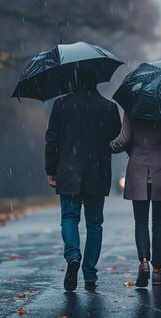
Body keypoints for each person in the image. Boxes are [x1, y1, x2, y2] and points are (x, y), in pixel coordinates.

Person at [45, 70, 121, 292]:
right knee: (94, 223)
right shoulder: (109, 107)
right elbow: (116, 141)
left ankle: (73, 257)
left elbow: (52, 139)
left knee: (69, 217)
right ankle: (89, 273)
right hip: (97, 172)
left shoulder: (61, 105)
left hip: (68, 171)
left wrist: (51, 168)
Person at [110, 116, 161, 287]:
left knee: (140, 221)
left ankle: (143, 261)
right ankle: (157, 271)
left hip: (138, 171)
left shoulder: (132, 109)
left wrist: (110, 146)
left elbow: (124, 139)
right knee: (159, 224)